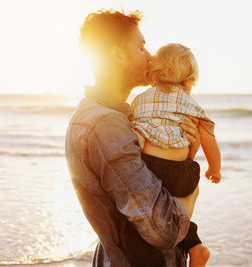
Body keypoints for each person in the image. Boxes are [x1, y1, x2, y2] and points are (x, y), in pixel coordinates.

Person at [65, 10, 201, 266]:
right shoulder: (106, 124)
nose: (150, 57)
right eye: (141, 47)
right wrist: (191, 192)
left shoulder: (112, 116)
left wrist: (183, 155)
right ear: (117, 54)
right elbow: (164, 229)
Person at [129, 43, 222, 267]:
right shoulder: (190, 103)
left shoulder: (140, 99)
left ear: (155, 72)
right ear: (189, 78)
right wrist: (214, 169)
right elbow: (208, 138)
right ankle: (195, 248)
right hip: (183, 170)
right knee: (177, 210)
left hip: (148, 167)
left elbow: (133, 127)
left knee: (161, 214)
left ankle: (193, 247)